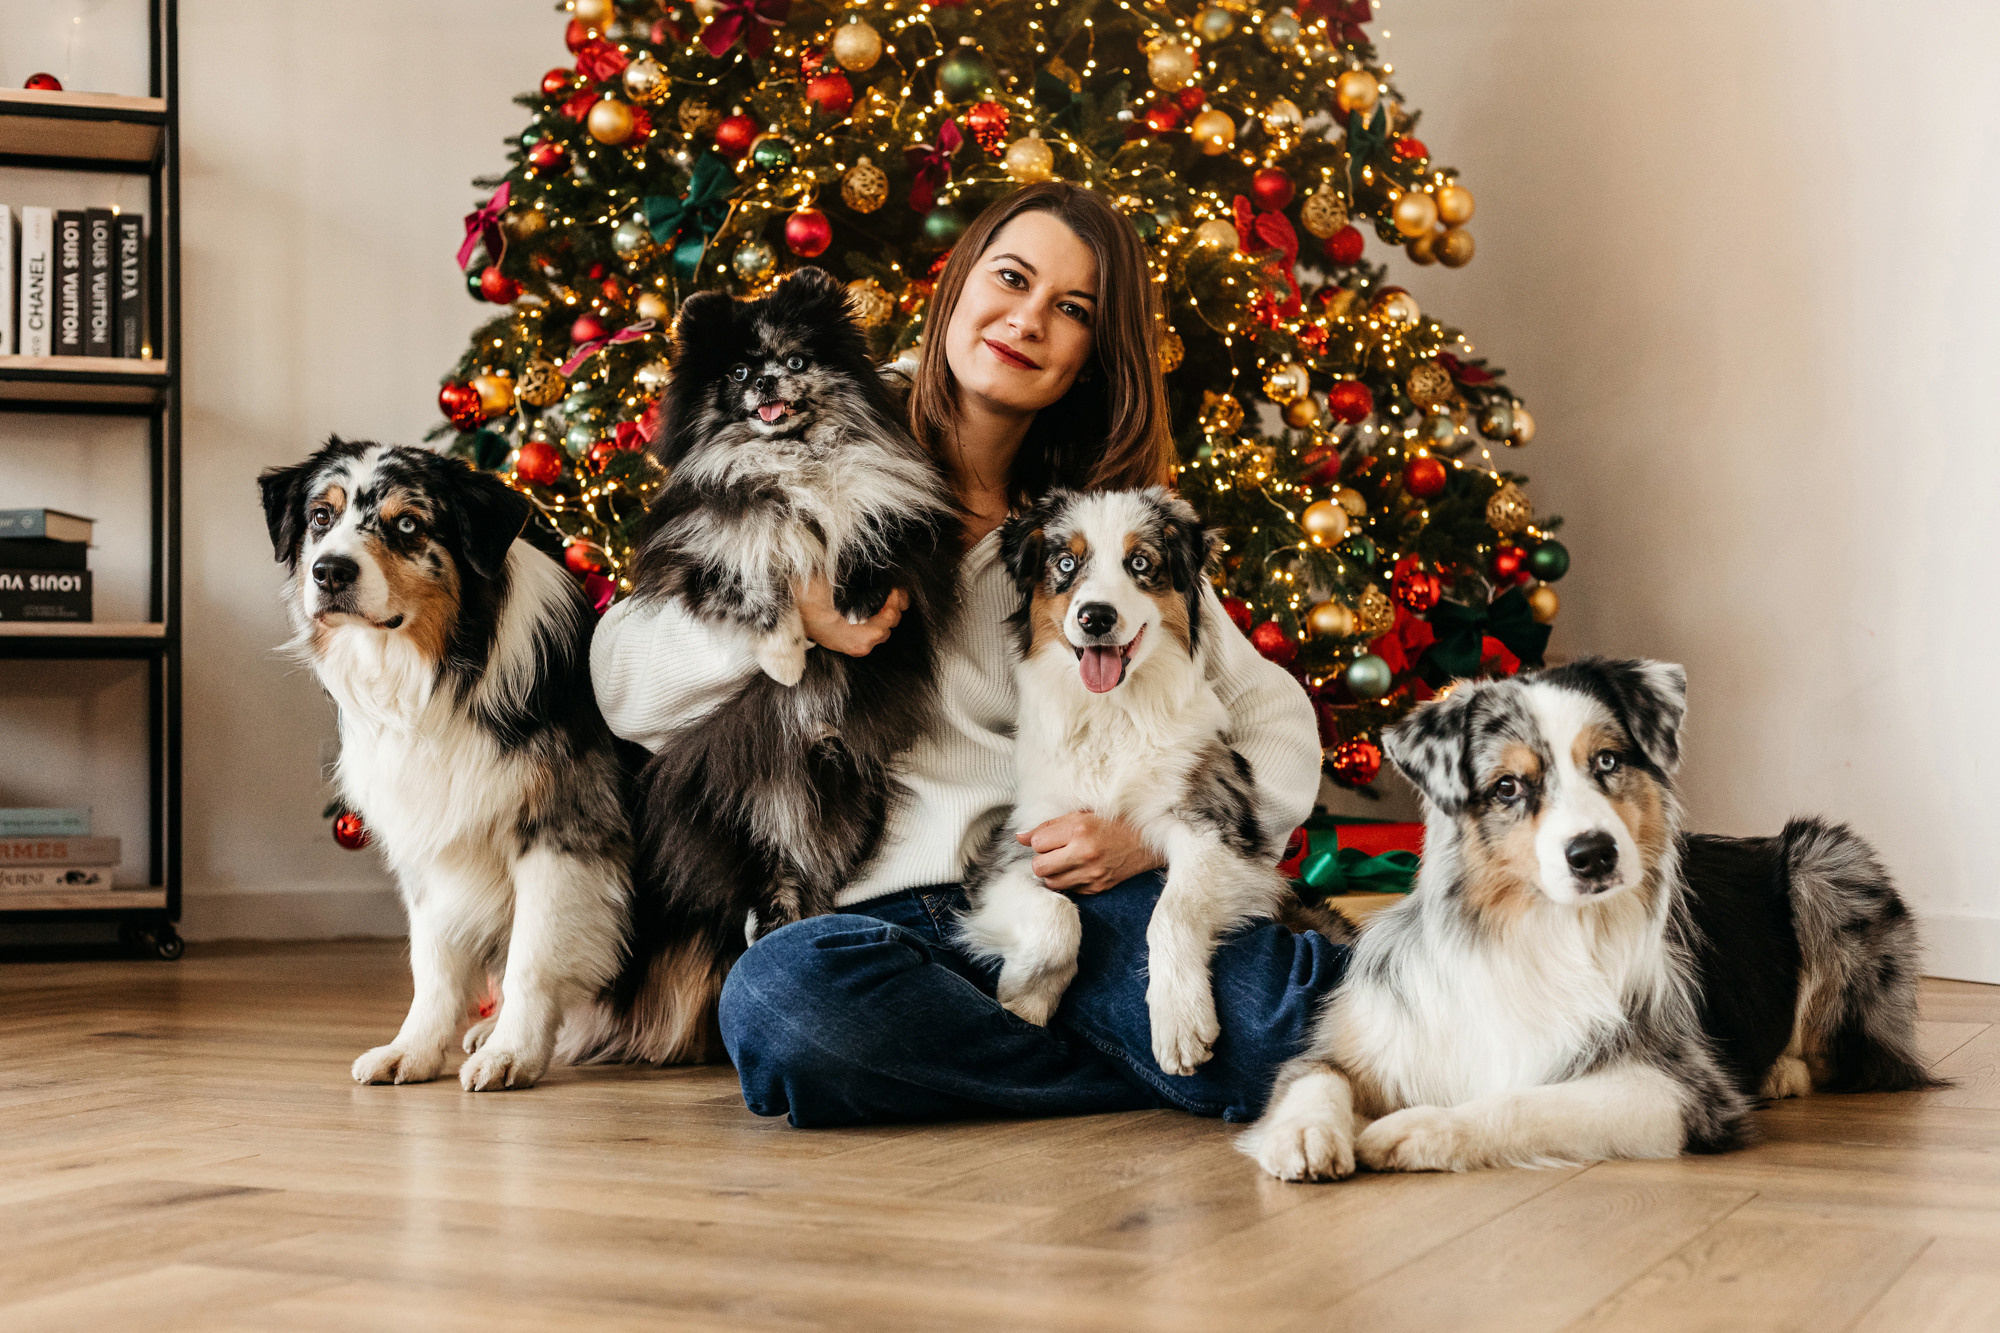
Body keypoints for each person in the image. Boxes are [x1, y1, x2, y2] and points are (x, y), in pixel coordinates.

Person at [591, 182, 1347, 1127]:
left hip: (1058, 886)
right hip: (870, 918)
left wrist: (1151, 838)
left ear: (1090, 355)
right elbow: (623, 682)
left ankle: (1069, 1051)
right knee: (783, 1009)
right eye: (1012, 278)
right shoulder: (814, 442)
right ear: (957, 287)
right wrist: (788, 612)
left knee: (1288, 1020)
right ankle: (1137, 1068)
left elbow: (1274, 716)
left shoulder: (1091, 532)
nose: (1028, 320)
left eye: (1071, 311)